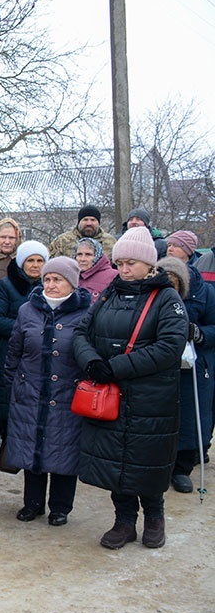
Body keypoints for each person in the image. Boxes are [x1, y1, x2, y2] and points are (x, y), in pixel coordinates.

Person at [72, 226, 188, 550]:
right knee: (114, 461)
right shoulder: (110, 291)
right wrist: (92, 363)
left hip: (152, 398)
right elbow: (82, 331)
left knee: (146, 460)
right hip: (112, 394)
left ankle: (154, 517)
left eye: (131, 264)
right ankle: (123, 521)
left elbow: (169, 346)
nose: (123, 270)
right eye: (120, 262)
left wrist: (115, 368)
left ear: (149, 264)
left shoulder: (167, 298)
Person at [3, 257, 91, 526]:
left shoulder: (87, 313)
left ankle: (61, 507)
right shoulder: (28, 310)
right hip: (29, 391)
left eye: (58, 280)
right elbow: (14, 349)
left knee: (64, 450)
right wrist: (12, 382)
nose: (50, 285)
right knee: (32, 449)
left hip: (67, 394)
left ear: (72, 284)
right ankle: (32, 503)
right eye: (47, 279)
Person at [159, 239, 215, 494]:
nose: (171, 283)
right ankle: (160, 466)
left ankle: (182, 468)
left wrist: (198, 332)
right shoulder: (152, 292)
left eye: (175, 279)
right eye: (166, 278)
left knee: (192, 418)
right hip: (159, 364)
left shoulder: (205, 293)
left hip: (193, 365)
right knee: (159, 416)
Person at [0, 240, 48, 445]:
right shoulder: (6, 285)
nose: (35, 265)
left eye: (40, 260)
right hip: (7, 351)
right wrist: (27, 329)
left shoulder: (49, 285)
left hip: (37, 354)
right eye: (30, 260)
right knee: (5, 398)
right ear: (22, 262)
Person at [49, 205, 116, 260]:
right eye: (85, 219)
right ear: (79, 222)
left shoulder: (111, 242)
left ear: (98, 223)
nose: (89, 223)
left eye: (93, 220)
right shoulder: (62, 241)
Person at [75, 238, 118, 304]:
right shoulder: (71, 276)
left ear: (98, 256)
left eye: (88, 254)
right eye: (79, 254)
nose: (82, 259)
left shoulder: (113, 276)